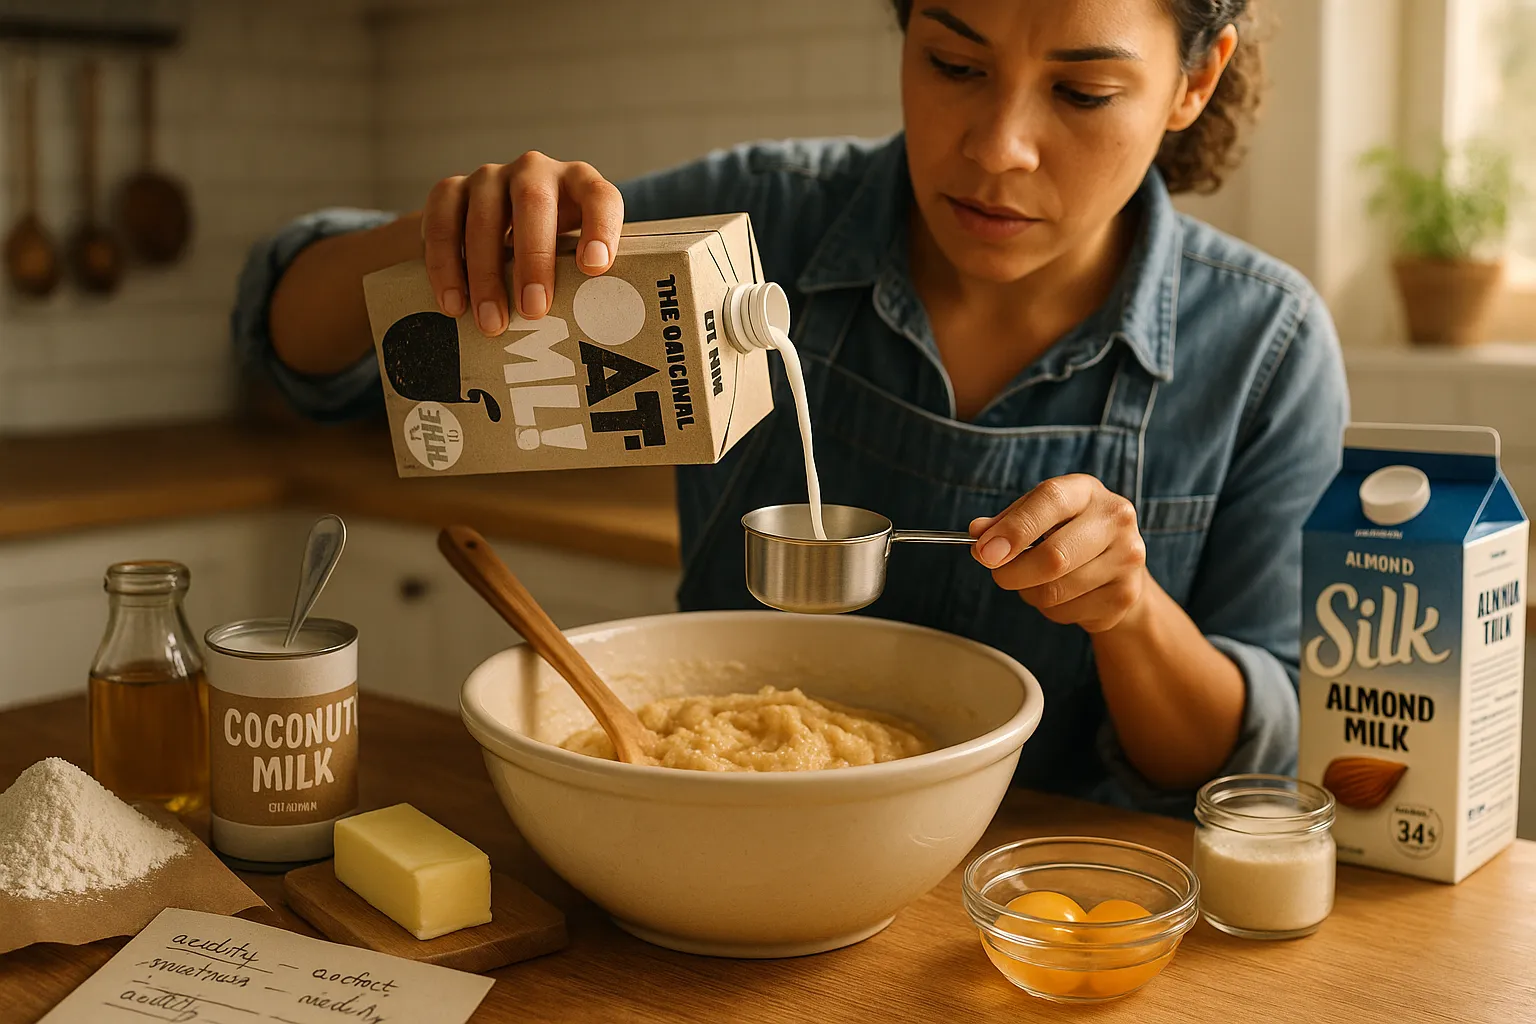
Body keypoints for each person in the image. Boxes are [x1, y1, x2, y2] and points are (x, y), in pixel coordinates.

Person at [233, 0, 1347, 815]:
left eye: (1082, 92)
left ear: (1193, 84)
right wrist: (440, 240)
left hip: (1048, 916)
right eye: (953, 63)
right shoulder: (764, 222)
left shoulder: (1262, 346)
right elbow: (293, 352)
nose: (998, 146)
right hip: (710, 860)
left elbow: (1237, 759)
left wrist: (1129, 611)